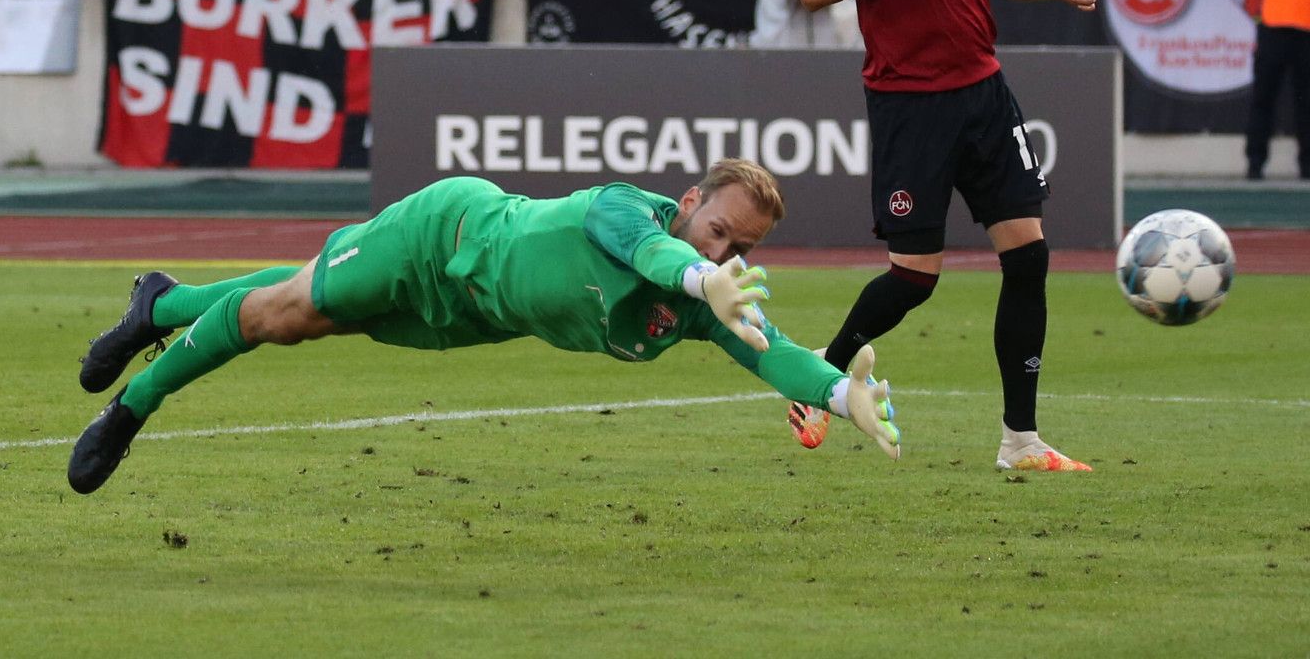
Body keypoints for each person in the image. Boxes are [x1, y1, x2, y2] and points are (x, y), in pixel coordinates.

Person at [67, 159, 904, 496]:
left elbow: (773, 353)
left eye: (742, 246)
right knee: (287, 316)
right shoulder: (631, 212)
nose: (727, 251)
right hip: (444, 234)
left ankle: (160, 304)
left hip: (471, 314)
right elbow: (648, 252)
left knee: (310, 310)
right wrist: (701, 273)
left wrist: (838, 391)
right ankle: (132, 406)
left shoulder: (712, 302)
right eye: (719, 230)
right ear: (690, 204)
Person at [791, 0, 1100, 472]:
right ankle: (814, 375)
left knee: (1028, 259)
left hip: (983, 93)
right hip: (910, 104)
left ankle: (1020, 441)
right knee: (915, 277)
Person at [1244, 0, 1310, 181]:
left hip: (1306, 33)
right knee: (1263, 98)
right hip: (1274, 28)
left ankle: (1307, 167)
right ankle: (1255, 163)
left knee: (1306, 103)